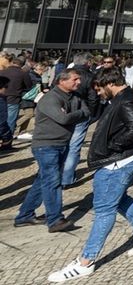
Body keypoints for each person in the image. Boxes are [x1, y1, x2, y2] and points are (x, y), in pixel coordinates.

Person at [46, 68, 133, 282]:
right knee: (115, 199)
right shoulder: (125, 96)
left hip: (117, 160)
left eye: (99, 89)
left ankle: (85, 262)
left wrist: (112, 147)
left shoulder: (125, 100)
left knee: (104, 209)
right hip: (118, 158)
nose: (98, 94)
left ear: (109, 83)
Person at [14, 69, 88, 232]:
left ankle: (24, 215)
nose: (79, 82)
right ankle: (55, 220)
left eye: (79, 79)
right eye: (75, 79)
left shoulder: (75, 97)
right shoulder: (50, 98)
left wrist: (74, 114)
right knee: (53, 181)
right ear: (62, 80)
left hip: (62, 144)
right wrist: (77, 114)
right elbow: (63, 118)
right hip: (46, 146)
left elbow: (86, 113)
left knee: (43, 180)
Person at [62, 54, 100, 188]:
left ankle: (59, 174)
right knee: (74, 146)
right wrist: (92, 114)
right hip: (81, 113)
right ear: (88, 63)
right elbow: (93, 97)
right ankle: (66, 178)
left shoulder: (64, 74)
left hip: (65, 112)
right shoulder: (90, 77)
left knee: (63, 143)